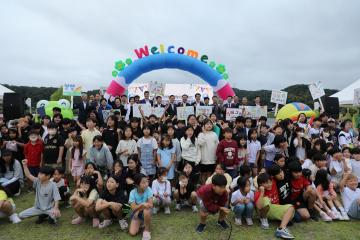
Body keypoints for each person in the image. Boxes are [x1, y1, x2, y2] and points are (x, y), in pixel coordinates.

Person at [19, 160, 61, 225]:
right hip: (37, 208)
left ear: (48, 176)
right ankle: (43, 215)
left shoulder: (53, 185)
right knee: (20, 215)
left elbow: (56, 198)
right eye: (39, 173)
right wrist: (24, 165)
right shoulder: (37, 181)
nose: (39, 175)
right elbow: (28, 175)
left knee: (56, 215)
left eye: (41, 174)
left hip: (49, 209)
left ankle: (46, 215)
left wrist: (56, 208)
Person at [254, 173, 295, 239]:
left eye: (270, 182)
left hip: (274, 209)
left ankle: (281, 229)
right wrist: (262, 192)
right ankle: (263, 219)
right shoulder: (258, 192)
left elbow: (276, 173)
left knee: (291, 207)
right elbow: (258, 207)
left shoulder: (274, 184)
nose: (269, 184)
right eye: (266, 183)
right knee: (266, 199)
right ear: (261, 184)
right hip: (264, 212)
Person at [128, 173, 153, 240]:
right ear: (137, 185)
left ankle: (147, 230)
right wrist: (142, 205)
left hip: (144, 211)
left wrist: (139, 209)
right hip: (136, 212)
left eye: (147, 181)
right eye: (143, 182)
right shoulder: (132, 193)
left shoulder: (149, 190)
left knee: (146, 210)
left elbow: (150, 205)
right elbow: (133, 208)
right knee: (132, 233)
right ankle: (142, 222)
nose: (146, 184)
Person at [198, 119, 219, 184]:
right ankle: (203, 187)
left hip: (212, 158)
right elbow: (201, 143)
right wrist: (204, 133)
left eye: (210, 124)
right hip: (204, 158)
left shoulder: (214, 134)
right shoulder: (201, 134)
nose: (209, 125)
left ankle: (208, 187)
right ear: (203, 126)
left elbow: (218, 145)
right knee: (203, 174)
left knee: (210, 174)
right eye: (207, 124)